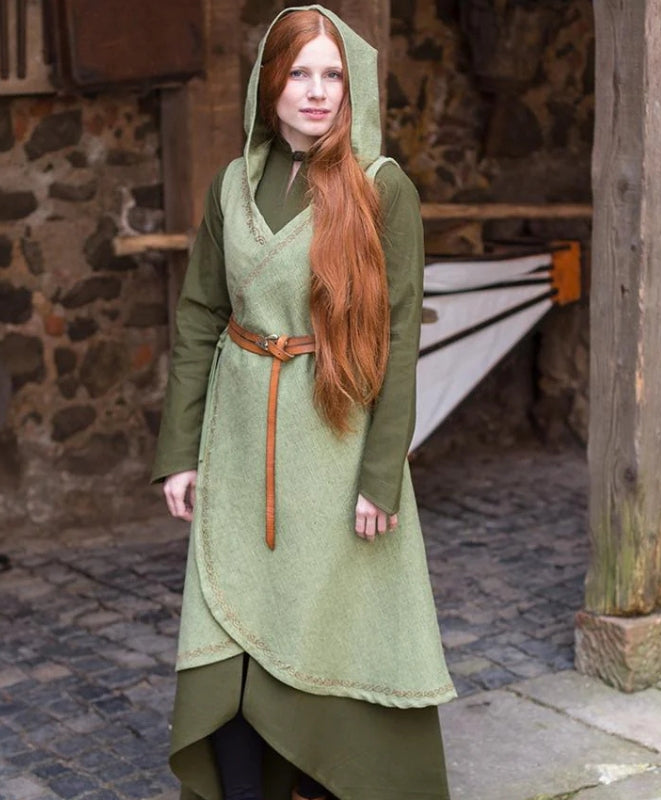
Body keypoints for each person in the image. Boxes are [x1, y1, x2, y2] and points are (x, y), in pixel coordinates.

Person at [151, 6, 456, 799]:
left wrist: (380, 475)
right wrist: (180, 452)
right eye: (299, 74)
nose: (317, 92)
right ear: (269, 83)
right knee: (232, 636)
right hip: (238, 441)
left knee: (328, 633)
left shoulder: (382, 188)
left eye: (333, 76)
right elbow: (199, 317)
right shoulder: (231, 186)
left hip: (335, 443)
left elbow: (399, 336)